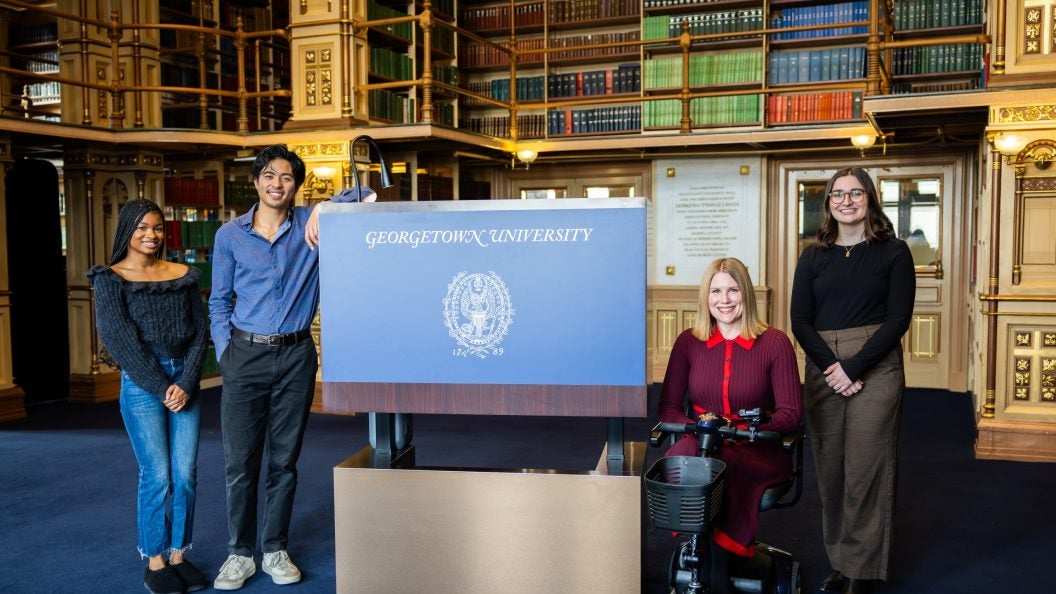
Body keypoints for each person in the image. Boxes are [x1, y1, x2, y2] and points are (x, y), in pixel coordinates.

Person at [208, 145, 375, 590]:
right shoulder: (230, 235)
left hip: (296, 357)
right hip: (244, 355)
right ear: (256, 181)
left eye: (285, 177)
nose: (276, 184)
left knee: (284, 461)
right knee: (240, 463)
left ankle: (274, 548)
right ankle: (239, 553)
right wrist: (226, 352)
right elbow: (218, 301)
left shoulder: (310, 224)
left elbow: (368, 193)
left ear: (295, 185)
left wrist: (323, 207)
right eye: (268, 175)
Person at [790, 167, 915, 594]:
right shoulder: (812, 255)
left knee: (866, 469)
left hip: (875, 365)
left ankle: (862, 571)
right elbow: (800, 321)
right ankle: (841, 562)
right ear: (828, 203)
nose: (846, 200)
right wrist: (833, 367)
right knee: (832, 471)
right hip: (823, 364)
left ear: (869, 198)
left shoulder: (894, 252)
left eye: (855, 192)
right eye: (837, 194)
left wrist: (854, 367)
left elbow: (898, 320)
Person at [87, 198, 210, 594]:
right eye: (142, 228)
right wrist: (162, 388)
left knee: (186, 474)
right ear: (127, 231)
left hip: (184, 381)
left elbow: (200, 332)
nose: (151, 235)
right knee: (156, 475)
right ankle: (155, 560)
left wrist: (187, 382)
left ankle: (178, 553)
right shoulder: (109, 279)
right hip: (143, 385)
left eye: (157, 228)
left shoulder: (183, 275)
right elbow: (121, 343)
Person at [658, 257, 802, 594]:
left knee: (723, 469)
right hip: (704, 440)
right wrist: (699, 427)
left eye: (733, 290)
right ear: (705, 297)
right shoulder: (688, 342)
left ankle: (716, 577)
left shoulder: (774, 342)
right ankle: (699, 554)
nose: (724, 300)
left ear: (746, 294)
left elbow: (791, 413)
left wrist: (752, 426)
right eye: (717, 291)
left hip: (756, 447)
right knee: (684, 460)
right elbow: (667, 408)